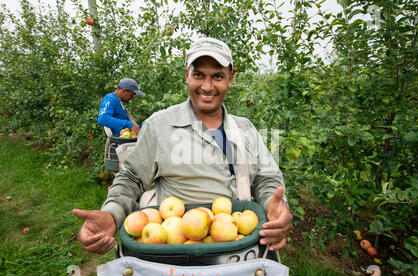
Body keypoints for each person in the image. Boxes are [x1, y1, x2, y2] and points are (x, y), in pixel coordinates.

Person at [73, 37, 293, 255]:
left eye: (217, 76)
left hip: (237, 247)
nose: (207, 87)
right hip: (174, 251)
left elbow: (267, 179)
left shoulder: (245, 130)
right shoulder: (159, 126)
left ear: (230, 78)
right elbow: (131, 177)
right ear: (187, 75)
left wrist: (276, 206)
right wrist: (111, 214)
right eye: (198, 75)